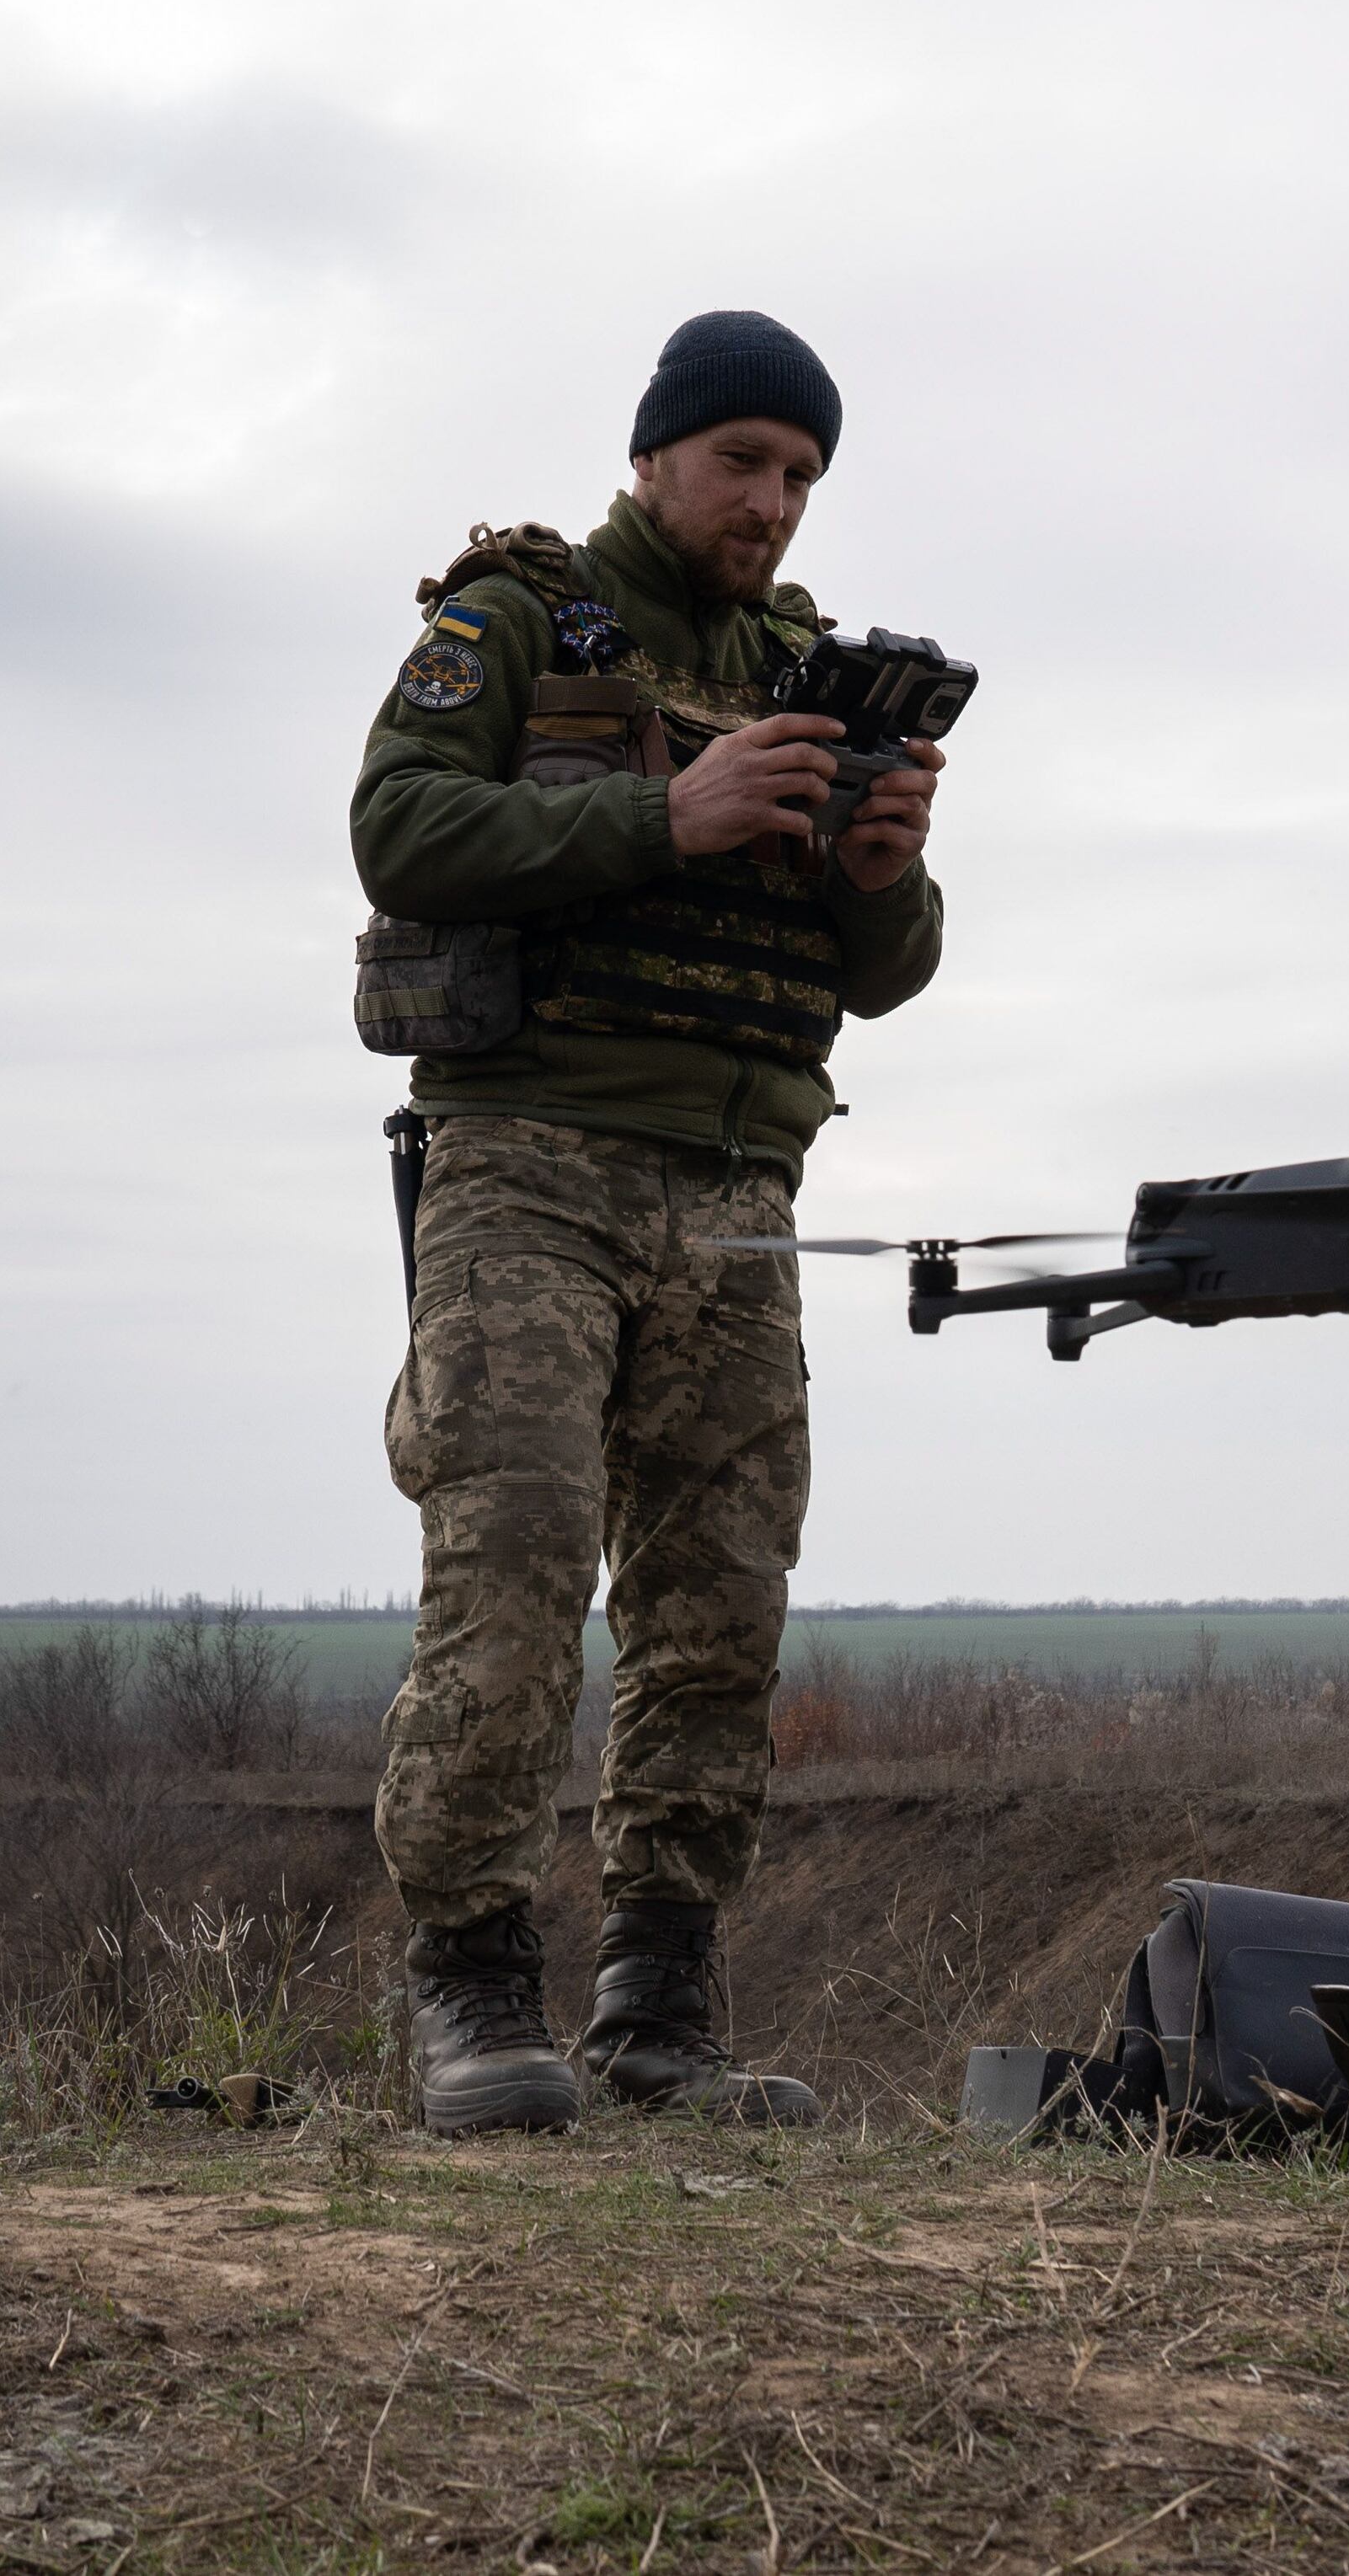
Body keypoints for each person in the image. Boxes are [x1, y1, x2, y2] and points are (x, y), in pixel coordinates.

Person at [345, 311, 948, 2133]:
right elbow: (399, 826)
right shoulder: (517, 623)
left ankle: (657, 2011)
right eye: (744, 461)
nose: (772, 502)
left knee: (715, 1609)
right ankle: (468, 1988)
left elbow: (891, 974)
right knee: (513, 1566)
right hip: (531, 1156)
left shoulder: (810, 670)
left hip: (741, 1193)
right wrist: (663, 813)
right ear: (655, 456)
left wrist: (881, 872)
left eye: (801, 476)